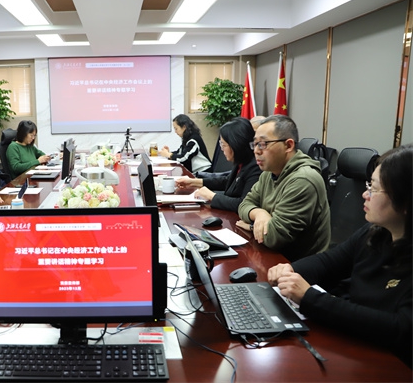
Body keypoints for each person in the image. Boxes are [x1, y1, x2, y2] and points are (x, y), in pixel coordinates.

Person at [268, 144, 412, 367]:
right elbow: (329, 262)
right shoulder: (375, 232)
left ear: (405, 202)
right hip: (355, 350)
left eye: (374, 188)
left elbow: (399, 329)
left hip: (391, 367)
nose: (365, 194)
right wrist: (291, 271)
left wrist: (311, 299)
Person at [237, 115, 330, 261]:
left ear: (288, 145)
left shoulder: (303, 180)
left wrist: (250, 226)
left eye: (263, 144)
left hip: (299, 269)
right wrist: (260, 214)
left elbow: (275, 237)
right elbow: (244, 204)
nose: (256, 151)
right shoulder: (269, 173)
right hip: (273, 257)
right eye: (254, 144)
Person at [175, 117, 261, 212]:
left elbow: (243, 204)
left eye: (223, 145)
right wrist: (193, 182)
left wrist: (212, 196)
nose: (222, 149)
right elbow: (227, 181)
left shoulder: (255, 167)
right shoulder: (242, 162)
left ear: (236, 145)